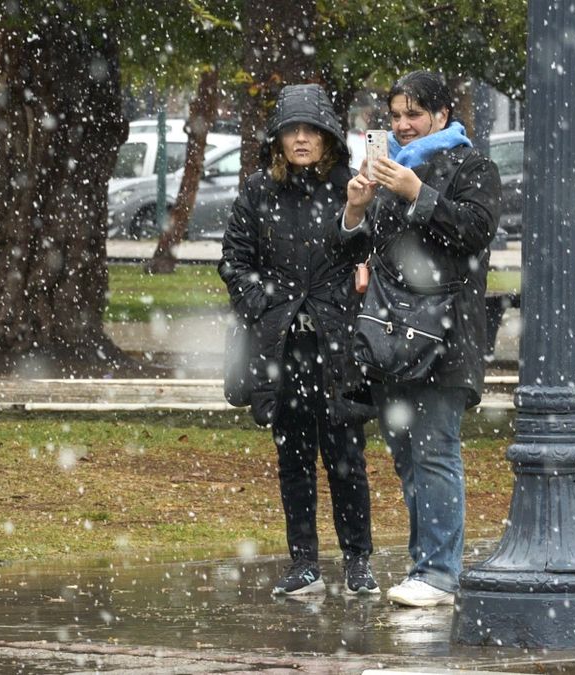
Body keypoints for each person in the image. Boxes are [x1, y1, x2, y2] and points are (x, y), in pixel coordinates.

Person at [326, 71, 501, 608]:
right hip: (388, 337)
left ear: (442, 115)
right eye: (396, 115)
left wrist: (419, 193)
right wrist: (356, 207)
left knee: (435, 452)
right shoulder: (387, 170)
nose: (403, 125)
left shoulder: (474, 166)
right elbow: (353, 254)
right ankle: (425, 566)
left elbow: (474, 231)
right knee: (406, 455)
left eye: (415, 114)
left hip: (444, 336)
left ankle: (440, 573)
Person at [219, 84, 378, 596]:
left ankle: (357, 561)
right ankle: (304, 562)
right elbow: (235, 261)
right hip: (282, 349)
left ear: (328, 137)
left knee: (346, 456)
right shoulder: (258, 191)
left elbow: (367, 250)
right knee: (293, 458)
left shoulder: (350, 188)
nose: (302, 139)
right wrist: (265, 307)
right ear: (279, 139)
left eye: (311, 130)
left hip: (338, 346)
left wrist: (355, 213)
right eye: (293, 131)